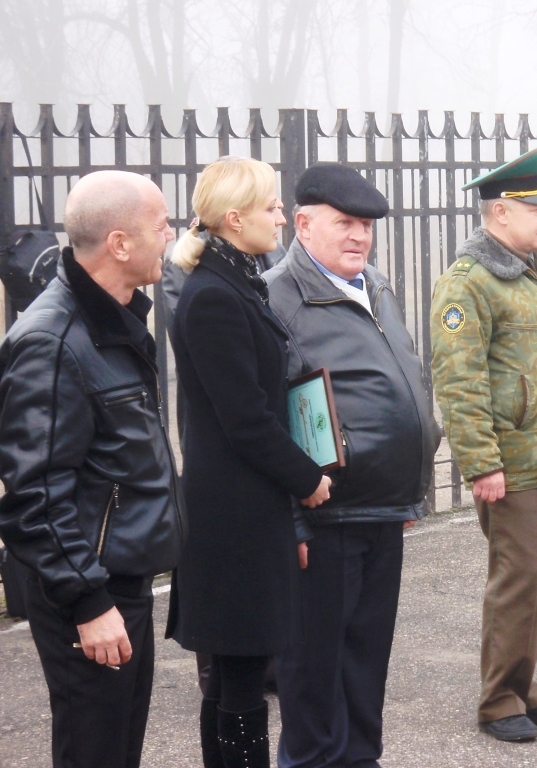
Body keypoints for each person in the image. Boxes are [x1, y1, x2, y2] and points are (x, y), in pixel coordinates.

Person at [0, 170, 185, 768]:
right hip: (89, 590)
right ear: (119, 243)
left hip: (121, 580)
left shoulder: (116, 320)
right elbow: (34, 494)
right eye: (161, 226)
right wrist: (87, 601)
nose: (172, 236)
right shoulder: (52, 341)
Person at [264, 163, 440, 768]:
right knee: (315, 670)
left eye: (366, 226)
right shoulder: (277, 299)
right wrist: (292, 522)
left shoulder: (375, 285)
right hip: (325, 515)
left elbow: (403, 381)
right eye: (345, 223)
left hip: (383, 510)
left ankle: (361, 759)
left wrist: (409, 486)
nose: (358, 236)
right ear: (304, 224)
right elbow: (268, 424)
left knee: (366, 662)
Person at [430, 144, 537, 743]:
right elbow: (459, 380)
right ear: (499, 213)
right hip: (513, 463)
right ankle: (499, 700)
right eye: (534, 207)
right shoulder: (469, 284)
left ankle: (525, 686)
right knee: (519, 578)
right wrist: (480, 463)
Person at [166, 156, 332, 768]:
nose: (282, 216)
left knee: (237, 668)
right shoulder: (214, 296)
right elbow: (244, 419)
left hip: (244, 503)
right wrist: (306, 478)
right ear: (235, 219)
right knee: (239, 673)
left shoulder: (235, 278)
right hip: (231, 512)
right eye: (270, 207)